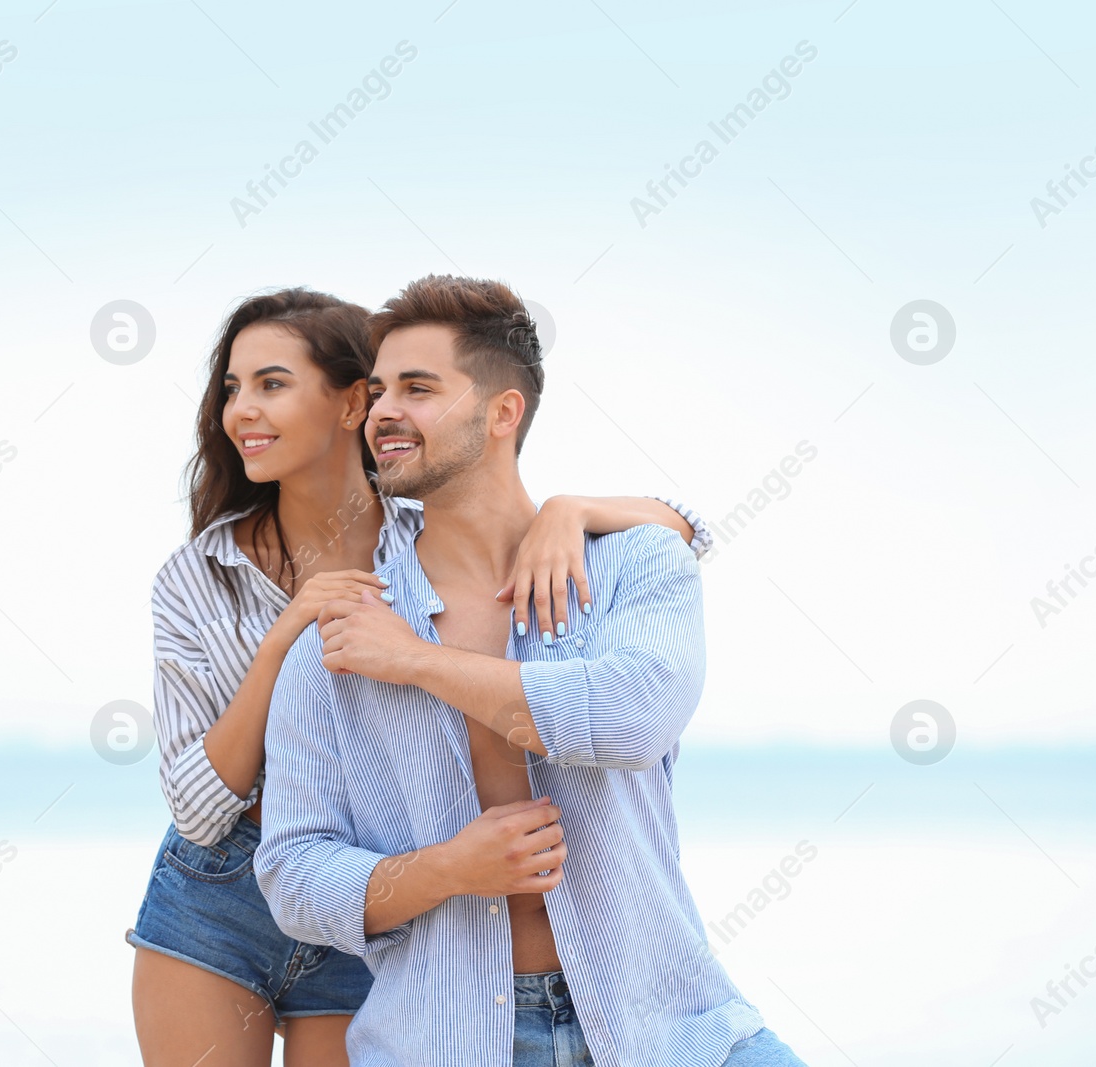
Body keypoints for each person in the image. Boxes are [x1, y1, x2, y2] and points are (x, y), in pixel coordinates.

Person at [126, 286, 717, 1067]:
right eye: (231, 389)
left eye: (271, 383)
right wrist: (287, 636)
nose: (241, 411)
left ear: (344, 406)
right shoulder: (202, 575)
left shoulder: (429, 520)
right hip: (229, 882)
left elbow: (678, 537)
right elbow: (200, 807)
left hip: (385, 909)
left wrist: (570, 509)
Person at [254, 275, 808, 1067]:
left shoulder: (632, 566)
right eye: (378, 392)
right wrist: (448, 869)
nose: (382, 414)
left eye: (417, 388)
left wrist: (416, 661)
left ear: (502, 411)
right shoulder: (339, 638)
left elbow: (631, 716)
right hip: (444, 1042)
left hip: (667, 1026)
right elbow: (294, 873)